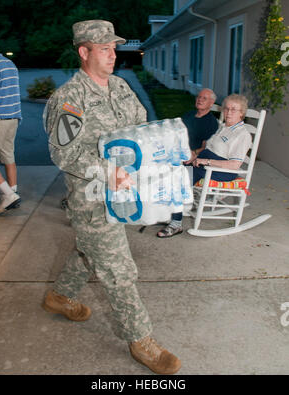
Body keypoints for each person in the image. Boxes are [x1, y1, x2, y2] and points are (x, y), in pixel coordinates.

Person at [42, 20, 181, 375]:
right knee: (119, 269)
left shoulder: (120, 86)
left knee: (90, 253)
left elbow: (140, 127)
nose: (112, 55)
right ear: (84, 52)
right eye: (103, 49)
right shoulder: (70, 98)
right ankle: (141, 340)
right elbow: (63, 155)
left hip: (126, 194)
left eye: (114, 48)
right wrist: (108, 170)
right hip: (92, 201)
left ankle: (59, 297)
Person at [158, 93, 252, 238]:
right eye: (226, 108)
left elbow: (234, 165)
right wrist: (195, 156)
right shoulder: (223, 127)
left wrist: (206, 161)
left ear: (242, 113)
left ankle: (175, 224)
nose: (228, 112)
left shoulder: (242, 134)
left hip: (220, 170)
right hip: (205, 162)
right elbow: (210, 148)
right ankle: (171, 211)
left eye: (234, 109)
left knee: (180, 179)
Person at [157, 88, 218, 238]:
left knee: (178, 181)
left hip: (195, 160)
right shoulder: (189, 115)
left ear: (211, 103)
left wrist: (193, 154)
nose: (199, 99)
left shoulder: (211, 123)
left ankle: (176, 224)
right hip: (179, 155)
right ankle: (167, 212)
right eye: (199, 97)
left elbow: (206, 147)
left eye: (204, 98)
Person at [0, 35, 21, 214]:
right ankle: (12, 192)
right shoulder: (10, 64)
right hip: (12, 118)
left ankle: (9, 195)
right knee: (8, 156)